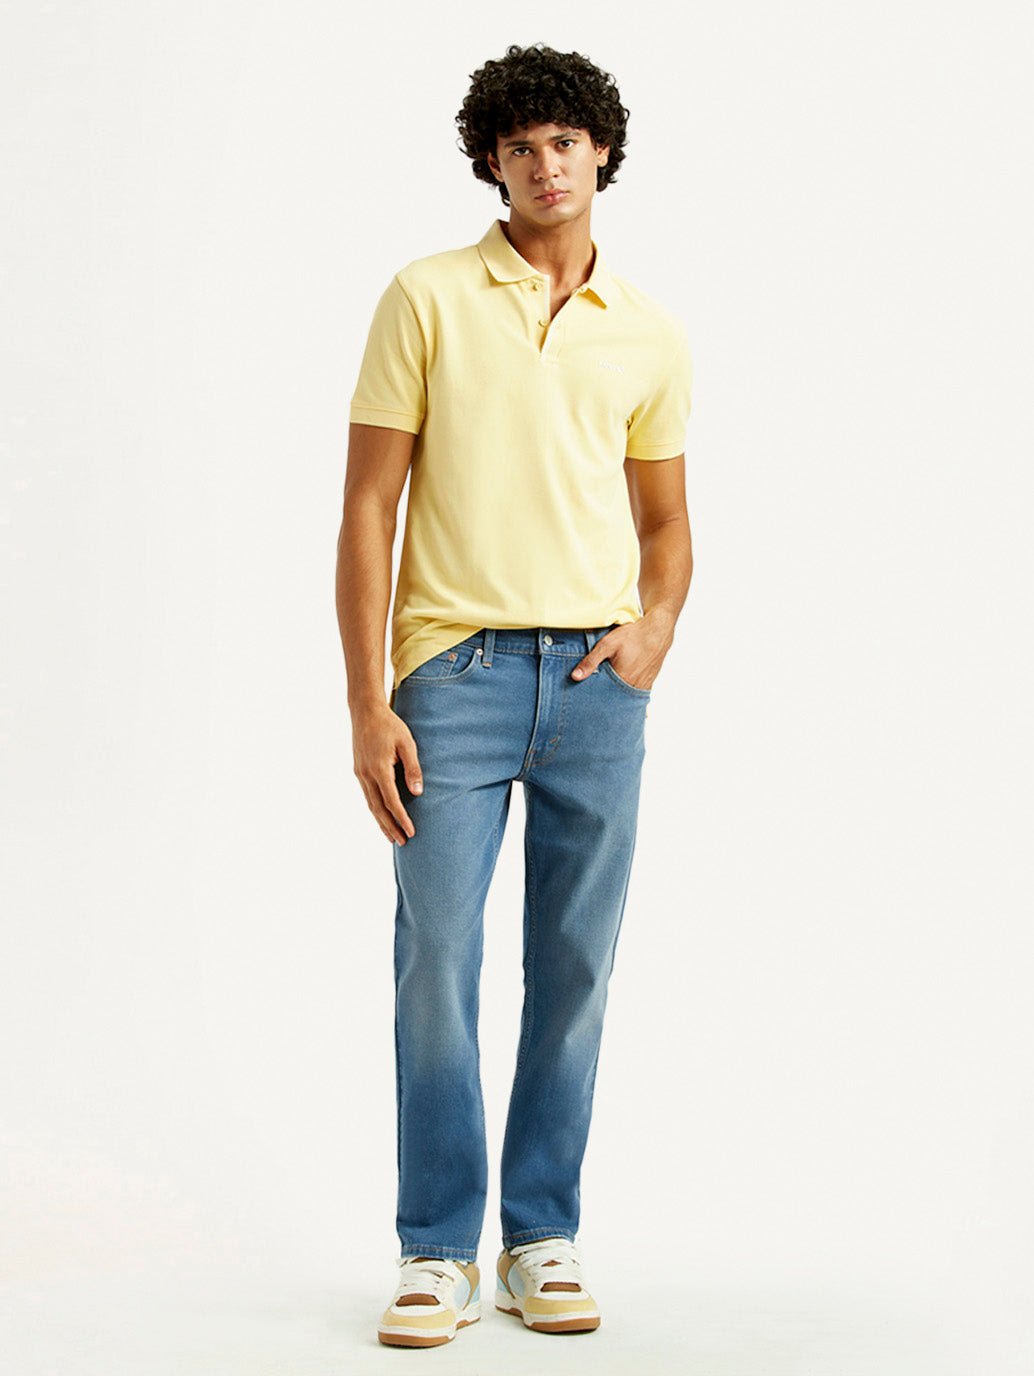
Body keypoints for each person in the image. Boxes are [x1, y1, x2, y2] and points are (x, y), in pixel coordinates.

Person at [335, 42, 694, 1348]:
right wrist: (368, 699)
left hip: (598, 688)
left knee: (576, 964)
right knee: (436, 958)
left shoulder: (647, 330)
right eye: (521, 145)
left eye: (566, 142)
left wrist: (654, 628)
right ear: (491, 162)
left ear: (602, 154)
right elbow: (369, 505)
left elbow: (667, 522)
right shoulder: (425, 297)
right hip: (455, 678)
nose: (547, 165)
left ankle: (540, 1234)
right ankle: (437, 1249)